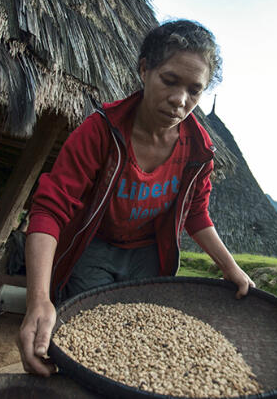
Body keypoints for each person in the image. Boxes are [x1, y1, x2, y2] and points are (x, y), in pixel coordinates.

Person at [17, 19, 255, 376]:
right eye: (170, 81)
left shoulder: (199, 150)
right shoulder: (101, 131)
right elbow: (50, 209)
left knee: (136, 345)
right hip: (93, 249)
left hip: (148, 255)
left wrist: (230, 267)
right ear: (145, 70)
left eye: (194, 90)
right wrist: (38, 300)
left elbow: (196, 215)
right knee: (90, 338)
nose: (180, 100)